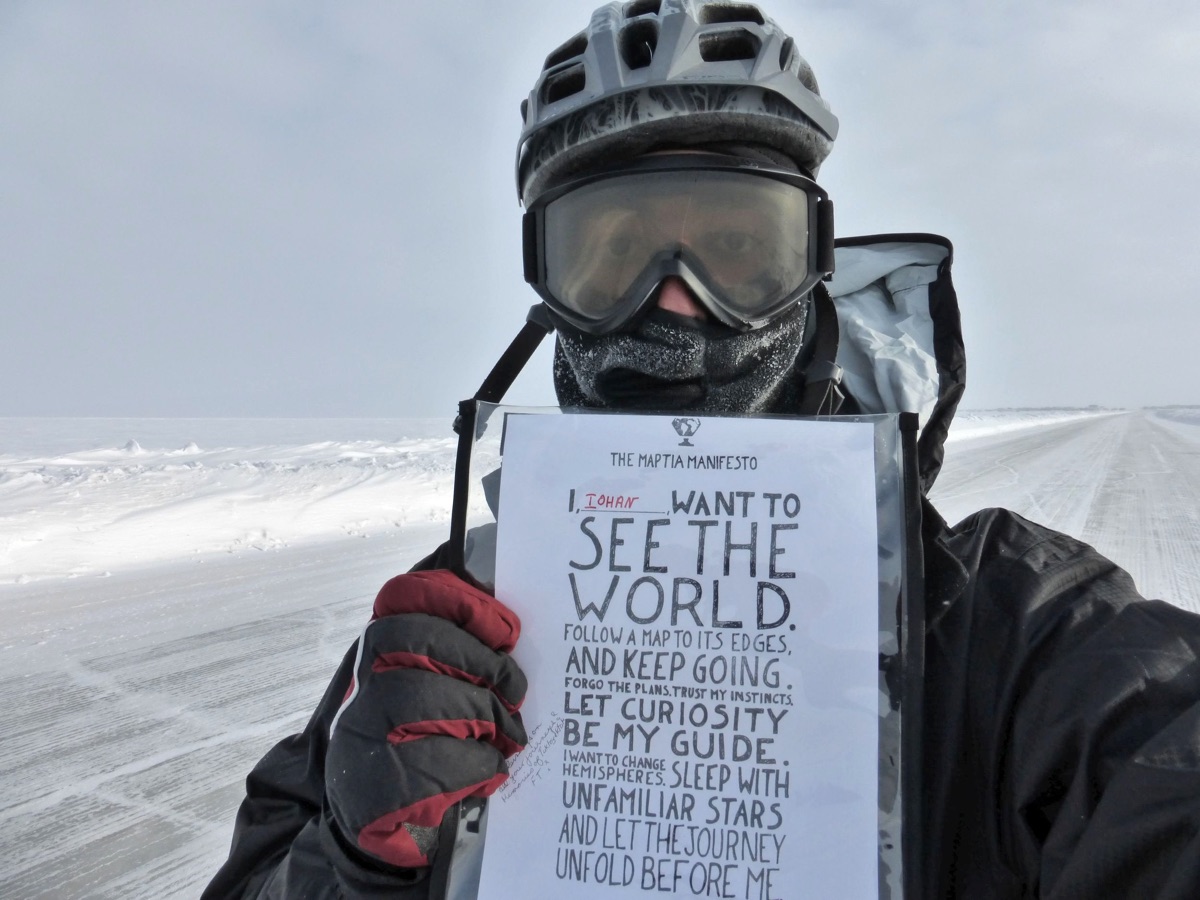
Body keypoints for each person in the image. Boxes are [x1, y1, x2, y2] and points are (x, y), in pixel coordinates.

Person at [204, 2, 1200, 897]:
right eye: (612, 255)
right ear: (548, 293)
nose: (675, 303)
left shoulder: (1002, 626)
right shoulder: (453, 627)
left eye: (738, 248)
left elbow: (1155, 759)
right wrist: (353, 862)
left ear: (812, 270)